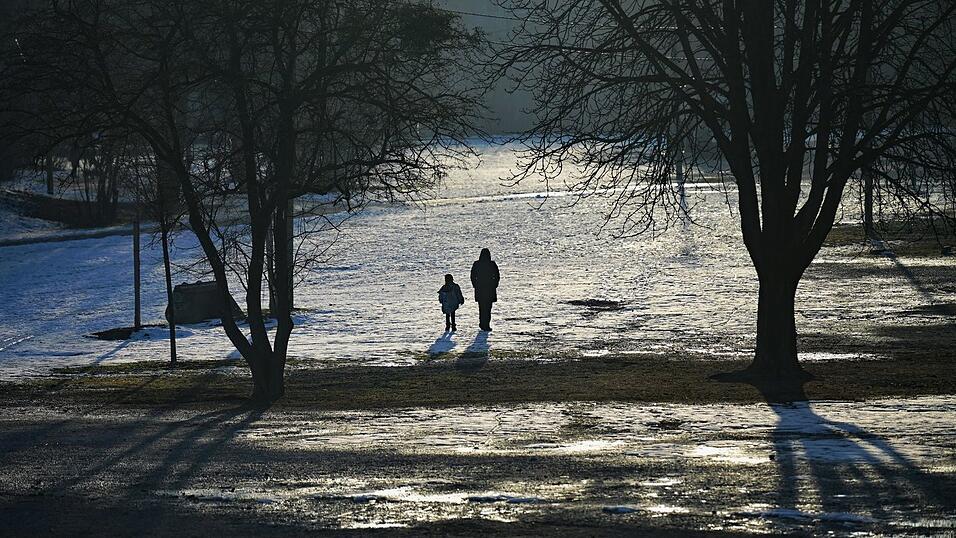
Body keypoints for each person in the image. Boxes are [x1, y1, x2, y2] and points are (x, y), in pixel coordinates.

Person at [470, 248, 500, 331]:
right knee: (488, 308)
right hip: (490, 289)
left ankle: (482, 323)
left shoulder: (477, 264)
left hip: (480, 289)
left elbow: (472, 276)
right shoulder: (492, 264)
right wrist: (495, 284)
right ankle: (486, 324)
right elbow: (497, 275)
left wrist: (475, 285)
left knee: (482, 308)